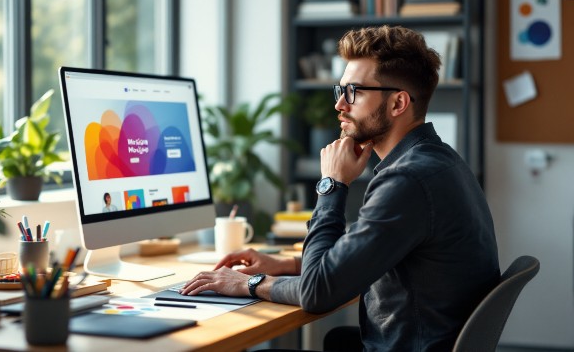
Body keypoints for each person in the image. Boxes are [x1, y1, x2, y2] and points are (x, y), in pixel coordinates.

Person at [180, 25, 500, 351]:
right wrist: (290, 265)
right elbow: (363, 260)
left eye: (354, 93)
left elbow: (317, 292)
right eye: (340, 91)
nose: (339, 106)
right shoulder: (441, 162)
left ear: (398, 103)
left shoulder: (408, 180)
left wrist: (332, 184)